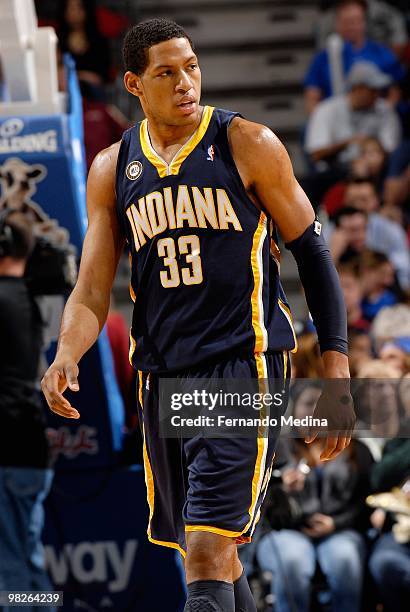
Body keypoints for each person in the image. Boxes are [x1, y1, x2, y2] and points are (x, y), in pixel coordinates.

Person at [40, 19, 354, 612]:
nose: (186, 82)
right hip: (164, 376)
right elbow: (89, 290)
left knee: (208, 552)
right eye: (166, 73)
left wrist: (336, 372)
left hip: (243, 364)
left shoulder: (248, 143)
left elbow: (313, 253)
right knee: (209, 554)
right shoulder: (112, 168)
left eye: (192, 67)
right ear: (134, 83)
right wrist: (66, 353)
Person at [256, 382, 373, 612]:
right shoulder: (275, 450)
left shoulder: (356, 449)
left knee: (344, 558)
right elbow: (257, 506)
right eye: (309, 404)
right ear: (293, 409)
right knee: (292, 560)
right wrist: (279, 485)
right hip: (288, 532)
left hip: (341, 530)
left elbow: (367, 501)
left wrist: (336, 523)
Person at [0, 210, 54, 606]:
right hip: (30, 449)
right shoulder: (28, 302)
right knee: (27, 557)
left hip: (8, 449)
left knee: (10, 564)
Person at [304, 0, 405, 113]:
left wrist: (382, 117)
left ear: (364, 22)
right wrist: (323, 122)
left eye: (356, 21)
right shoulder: (322, 59)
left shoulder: (383, 54)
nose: (352, 26)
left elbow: (395, 92)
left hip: (376, 119)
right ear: (337, 24)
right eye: (347, 22)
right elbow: (312, 97)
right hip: (335, 120)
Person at [305, 61, 402, 171]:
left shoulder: (384, 110)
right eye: (372, 90)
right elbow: (316, 154)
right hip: (334, 174)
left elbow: (392, 150)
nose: (377, 95)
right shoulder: (326, 109)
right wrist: (348, 142)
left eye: (378, 90)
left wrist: (370, 145)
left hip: (377, 172)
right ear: (357, 89)